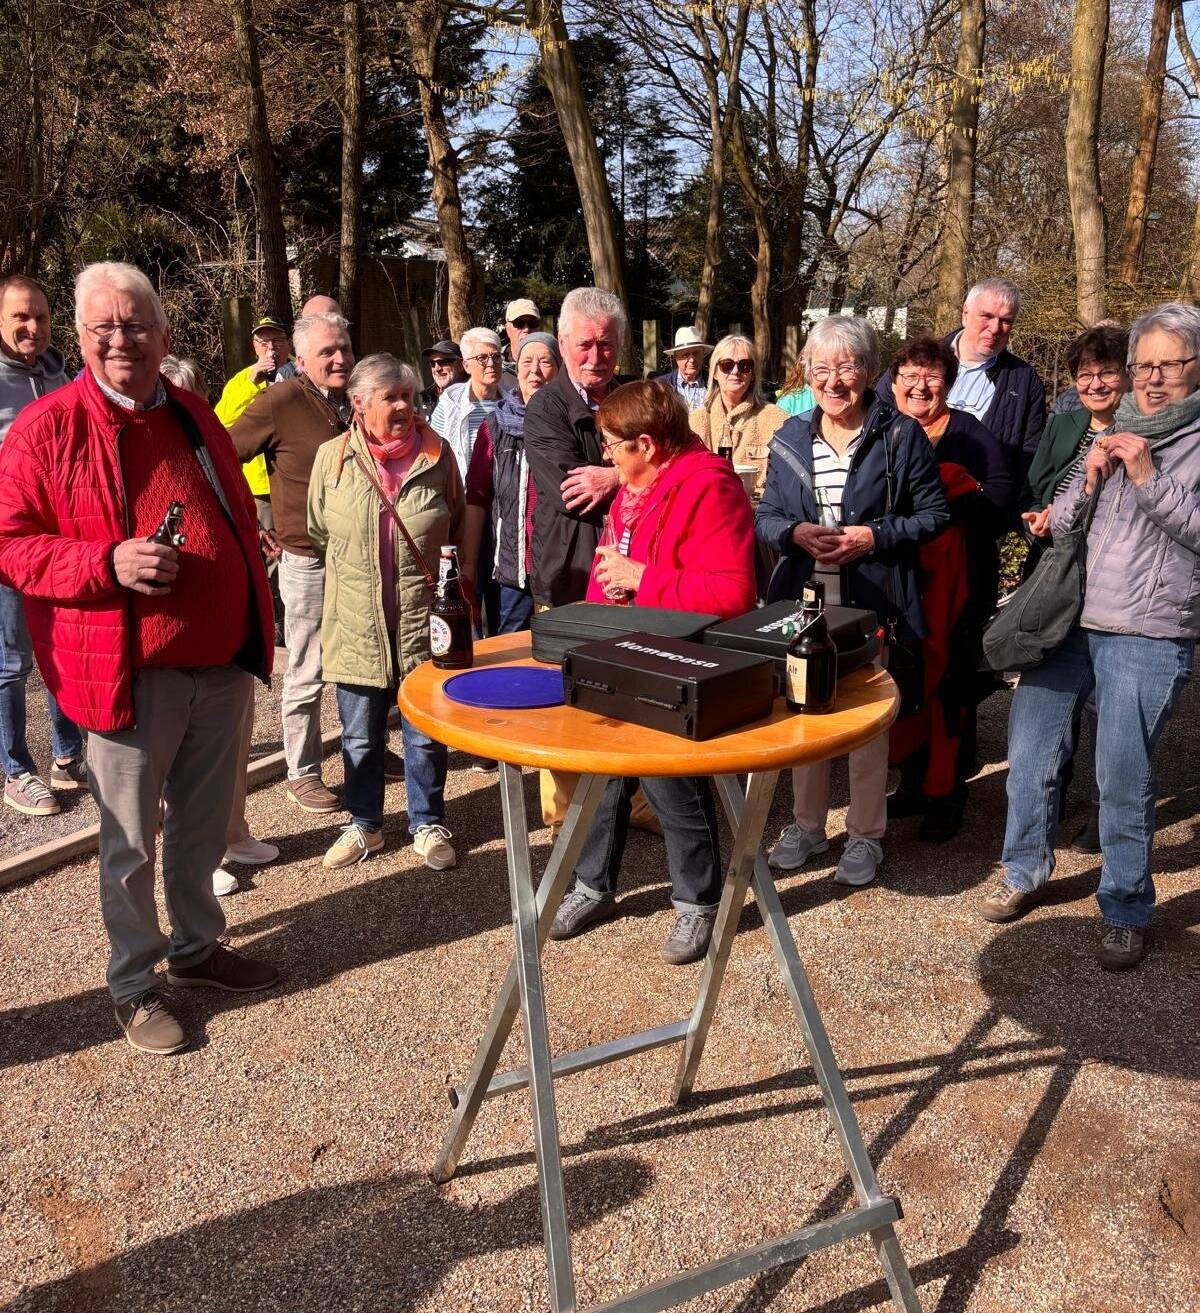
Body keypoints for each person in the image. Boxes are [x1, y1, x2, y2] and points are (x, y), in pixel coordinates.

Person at [0, 261, 279, 1055]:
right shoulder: (46, 428)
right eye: (104, 327)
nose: (122, 340)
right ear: (81, 336)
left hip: (217, 663)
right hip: (127, 673)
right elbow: (10, 544)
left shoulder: (192, 411)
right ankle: (132, 982)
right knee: (129, 842)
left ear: (164, 333)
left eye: (136, 325)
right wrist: (106, 561)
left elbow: (230, 504)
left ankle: (195, 948)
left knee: (201, 825)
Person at [981, 303, 1200, 970]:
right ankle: (1022, 869)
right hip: (1070, 618)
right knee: (1030, 750)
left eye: (1169, 365)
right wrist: (1088, 481)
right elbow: (1065, 520)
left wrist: (1147, 478)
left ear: (1196, 367)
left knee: (1122, 774)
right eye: (1143, 365)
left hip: (1146, 628)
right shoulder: (1118, 425)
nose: (1152, 378)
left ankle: (1126, 905)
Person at [548, 381, 757, 964]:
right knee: (601, 777)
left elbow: (734, 594)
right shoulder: (635, 488)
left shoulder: (711, 486)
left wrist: (643, 578)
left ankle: (698, 902)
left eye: (613, 444)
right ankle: (593, 886)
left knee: (671, 785)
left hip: (676, 660)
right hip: (620, 649)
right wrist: (594, 622)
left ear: (647, 444)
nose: (606, 455)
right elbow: (610, 566)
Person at [756, 314, 949, 887]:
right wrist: (795, 533)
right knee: (806, 716)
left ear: (869, 371)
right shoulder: (789, 436)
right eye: (821, 369)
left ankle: (866, 834)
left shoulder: (900, 436)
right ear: (806, 373)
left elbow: (935, 514)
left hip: (873, 601)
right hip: (806, 602)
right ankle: (807, 826)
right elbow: (766, 516)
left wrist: (873, 536)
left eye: (847, 367)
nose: (833, 381)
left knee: (866, 724)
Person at [308, 354, 463, 872]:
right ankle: (365, 824)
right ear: (359, 403)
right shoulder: (331, 459)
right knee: (358, 734)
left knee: (424, 733)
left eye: (408, 397)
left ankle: (427, 821)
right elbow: (318, 530)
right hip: (356, 622)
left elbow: (456, 526)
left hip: (423, 621)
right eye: (390, 397)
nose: (403, 407)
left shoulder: (438, 456)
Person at [884, 336, 1013, 841]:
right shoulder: (884, 429)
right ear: (893, 382)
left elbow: (1001, 498)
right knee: (907, 683)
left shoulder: (969, 434)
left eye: (932, 377)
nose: (921, 386)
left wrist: (944, 502)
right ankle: (913, 783)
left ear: (949, 384)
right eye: (910, 376)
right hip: (900, 583)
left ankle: (947, 794)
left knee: (950, 688)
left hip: (958, 584)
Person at [161, 351, 279, 896]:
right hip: (179, 622)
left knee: (232, 737)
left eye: (194, 395)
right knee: (184, 755)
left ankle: (232, 832)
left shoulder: (211, 444)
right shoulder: (152, 455)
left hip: (230, 619)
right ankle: (199, 856)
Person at [230, 312, 355, 815]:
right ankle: (302, 771)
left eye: (344, 348)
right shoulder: (279, 402)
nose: (340, 359)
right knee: (308, 667)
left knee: (362, 662)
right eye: (328, 352)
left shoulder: (358, 399)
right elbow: (221, 456)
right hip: (308, 559)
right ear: (301, 360)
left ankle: (365, 752)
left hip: (361, 557)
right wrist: (250, 522)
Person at [1019, 326, 1131, 854]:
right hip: (1057, 573)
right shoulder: (1063, 425)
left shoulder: (1142, 431)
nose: (1095, 384)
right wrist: (1035, 518)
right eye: (1085, 374)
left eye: (1107, 372)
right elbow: (1034, 489)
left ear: (1127, 376)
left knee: (1109, 707)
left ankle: (1107, 812)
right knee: (1050, 698)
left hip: (1115, 581)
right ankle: (1052, 797)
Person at [524, 286, 624, 829]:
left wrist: (614, 474)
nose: (595, 356)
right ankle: (567, 817)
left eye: (606, 344)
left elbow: (675, 467)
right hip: (569, 570)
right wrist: (632, 476)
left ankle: (629, 803)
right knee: (566, 692)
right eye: (585, 344)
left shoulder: (635, 398)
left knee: (627, 689)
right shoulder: (546, 408)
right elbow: (573, 492)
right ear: (563, 344)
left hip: (631, 574)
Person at [0, 273, 85, 817]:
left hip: (60, 541)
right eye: (20, 317)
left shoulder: (60, 374)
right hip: (8, 542)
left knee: (62, 648)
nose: (33, 326)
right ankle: (16, 771)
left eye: (41, 316)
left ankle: (68, 754)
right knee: (11, 662)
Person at [876, 277, 1046, 489]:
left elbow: (1031, 453)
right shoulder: (912, 362)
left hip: (982, 500)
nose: (995, 328)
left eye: (1006, 321)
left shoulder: (1024, 381)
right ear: (965, 313)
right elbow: (875, 420)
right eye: (986, 316)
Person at [462, 333, 561, 635]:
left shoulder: (570, 424)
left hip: (561, 567)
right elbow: (477, 499)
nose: (535, 371)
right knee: (508, 650)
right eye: (526, 362)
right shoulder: (494, 427)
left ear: (559, 369)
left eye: (545, 362)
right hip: (510, 570)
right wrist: (469, 564)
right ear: (516, 371)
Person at [215, 316, 295, 644]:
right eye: (264, 342)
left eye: (276, 340)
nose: (270, 348)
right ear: (254, 346)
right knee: (270, 556)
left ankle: (293, 620)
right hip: (261, 487)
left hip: (296, 481)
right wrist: (252, 381)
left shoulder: (299, 372)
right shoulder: (243, 380)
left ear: (288, 344)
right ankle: (274, 625)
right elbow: (221, 422)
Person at [688, 334, 788, 497]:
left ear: (753, 373)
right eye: (726, 365)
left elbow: (786, 483)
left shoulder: (777, 420)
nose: (735, 371)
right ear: (714, 372)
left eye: (744, 365)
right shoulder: (694, 422)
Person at [655, 326, 712, 411]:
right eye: (686, 354)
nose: (692, 360)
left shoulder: (714, 384)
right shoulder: (660, 386)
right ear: (676, 357)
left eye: (696, 353)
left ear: (703, 354)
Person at [418, 339, 465, 420]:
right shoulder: (425, 397)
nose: (437, 369)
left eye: (443, 362)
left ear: (461, 365)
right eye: (432, 363)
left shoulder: (473, 394)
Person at [502, 298, 541, 369]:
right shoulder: (495, 366)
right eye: (519, 323)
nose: (526, 329)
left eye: (532, 323)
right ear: (507, 329)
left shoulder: (554, 365)